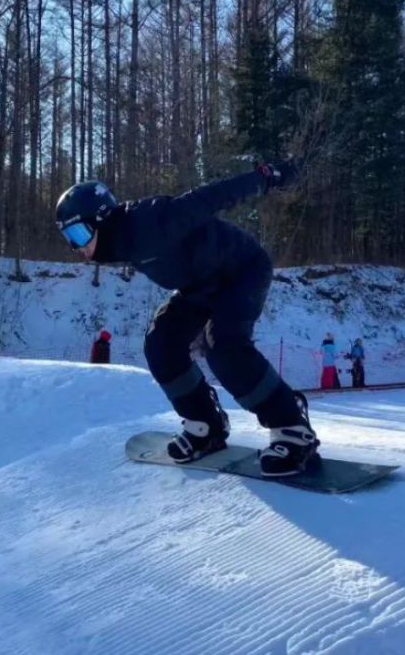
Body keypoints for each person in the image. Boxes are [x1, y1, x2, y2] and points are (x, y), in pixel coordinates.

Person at [55, 162, 319, 478]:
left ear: (101, 219)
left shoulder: (153, 219)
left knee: (223, 346)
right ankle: (205, 423)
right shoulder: (118, 240)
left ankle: (292, 427)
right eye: (68, 237)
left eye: (79, 233)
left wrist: (265, 177)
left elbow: (213, 197)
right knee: (161, 344)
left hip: (242, 271)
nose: (76, 247)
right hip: (200, 284)